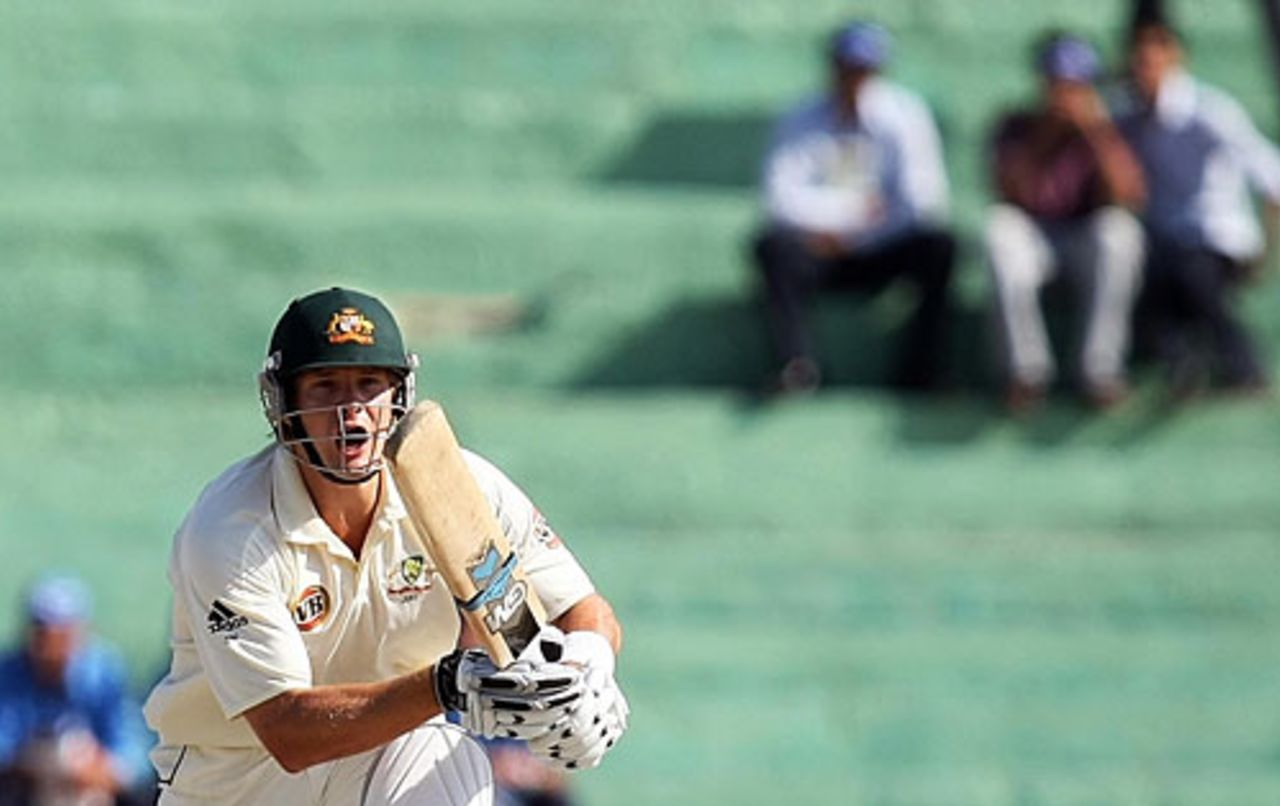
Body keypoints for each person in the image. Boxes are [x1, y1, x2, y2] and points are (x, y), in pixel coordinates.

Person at [142, 287, 628, 805]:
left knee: (444, 754)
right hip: (238, 785)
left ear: (398, 395)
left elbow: (581, 609)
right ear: (285, 403)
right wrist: (447, 686)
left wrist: (586, 666)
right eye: (325, 387)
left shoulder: (459, 489)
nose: (350, 412)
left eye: (368, 385)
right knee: (435, 731)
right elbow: (287, 732)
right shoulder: (232, 528)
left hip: (378, 767)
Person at [751, 20, 957, 394]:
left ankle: (921, 370)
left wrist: (859, 229)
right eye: (848, 67)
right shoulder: (798, 117)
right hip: (817, 250)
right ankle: (798, 365)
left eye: (864, 69)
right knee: (772, 247)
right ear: (832, 66)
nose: (855, 78)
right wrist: (854, 214)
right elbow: (779, 199)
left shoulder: (907, 116)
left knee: (939, 246)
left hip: (884, 248)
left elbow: (923, 203)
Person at [1116, 16, 1280, 397]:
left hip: (1217, 239)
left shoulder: (1212, 112)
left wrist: (1269, 251)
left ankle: (1242, 363)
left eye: (1154, 58)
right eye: (1139, 59)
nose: (1146, 69)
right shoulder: (1125, 114)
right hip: (1161, 244)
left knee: (1191, 274)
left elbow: (1269, 173)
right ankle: (1182, 367)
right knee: (1153, 278)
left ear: (1175, 58)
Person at [985, 32, 1147, 413]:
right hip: (1034, 238)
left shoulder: (1110, 128)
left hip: (1083, 239)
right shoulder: (1015, 125)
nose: (1064, 93)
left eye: (1074, 85)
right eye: (1056, 83)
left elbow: (1128, 195)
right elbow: (1008, 190)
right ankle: (1025, 372)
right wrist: (1047, 134)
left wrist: (1094, 132)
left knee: (1120, 234)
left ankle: (1100, 370)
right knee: (999, 229)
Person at [0, 573, 153, 806]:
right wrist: (40, 761)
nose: (49, 644)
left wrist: (98, 767)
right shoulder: (9, 673)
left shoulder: (104, 672)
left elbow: (133, 753)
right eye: (42, 631)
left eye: (60, 633)